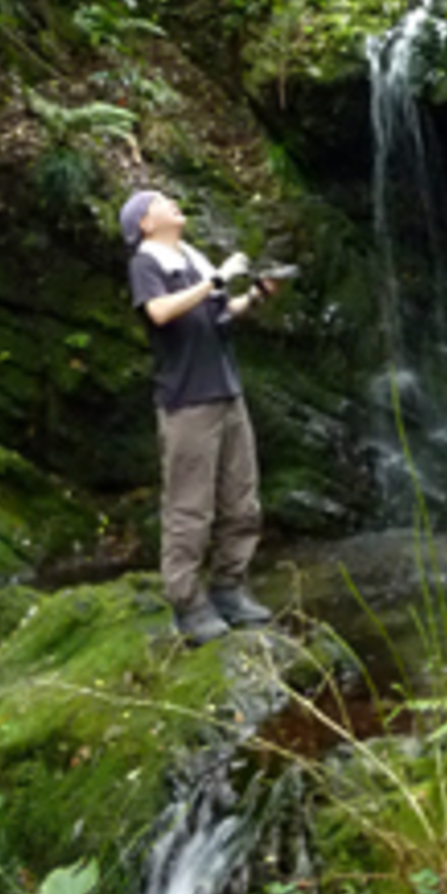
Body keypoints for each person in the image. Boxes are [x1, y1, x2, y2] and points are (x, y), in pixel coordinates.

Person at [120, 188, 275, 646]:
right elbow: (160, 311)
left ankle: (229, 588)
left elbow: (221, 315)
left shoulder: (192, 259)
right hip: (187, 400)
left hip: (227, 391)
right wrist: (217, 279)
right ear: (144, 223)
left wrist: (257, 295)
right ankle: (187, 603)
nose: (172, 203)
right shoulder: (145, 263)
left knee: (242, 499)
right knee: (190, 507)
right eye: (160, 201)